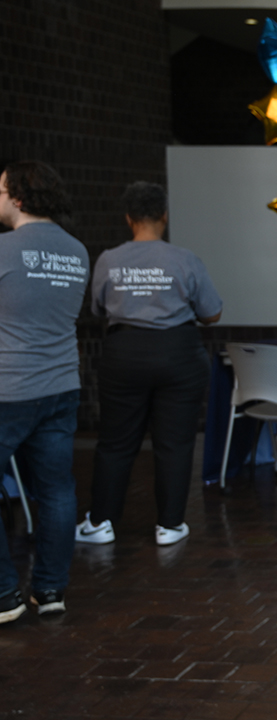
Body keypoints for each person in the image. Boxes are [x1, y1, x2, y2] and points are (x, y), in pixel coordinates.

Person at [73, 181, 222, 548]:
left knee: (115, 442)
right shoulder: (185, 259)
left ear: (128, 218)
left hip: (124, 353)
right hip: (179, 354)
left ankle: (101, 521)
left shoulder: (109, 259)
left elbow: (97, 309)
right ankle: (170, 525)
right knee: (174, 442)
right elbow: (212, 313)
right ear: (164, 216)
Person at [0, 161, 90, 622]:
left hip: (9, 390)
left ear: (17, 198)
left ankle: (3, 595)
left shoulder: (4, 250)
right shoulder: (77, 252)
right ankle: (50, 589)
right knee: (55, 490)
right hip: (61, 386)